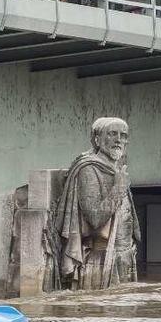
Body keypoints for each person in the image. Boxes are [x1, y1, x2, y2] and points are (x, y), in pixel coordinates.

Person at [50, 117, 140, 290]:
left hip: (125, 256)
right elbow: (95, 218)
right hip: (102, 259)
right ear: (97, 139)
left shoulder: (118, 170)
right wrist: (119, 187)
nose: (118, 140)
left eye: (123, 135)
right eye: (112, 134)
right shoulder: (88, 169)